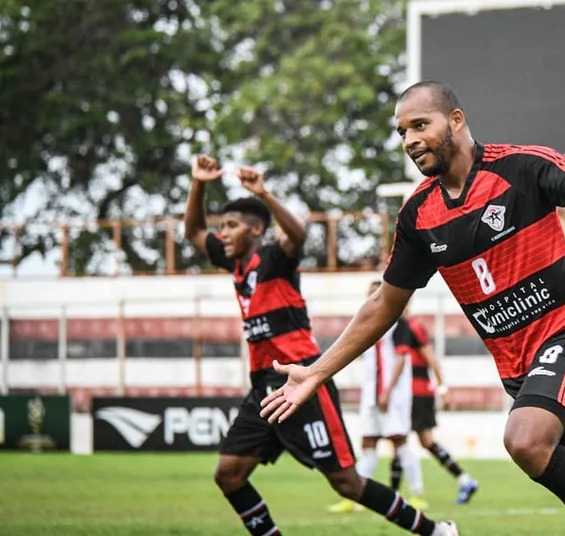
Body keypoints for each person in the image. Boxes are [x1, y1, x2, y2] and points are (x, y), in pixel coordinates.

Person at [261, 81, 565, 536]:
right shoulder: (418, 216)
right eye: (402, 132)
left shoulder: (520, 167)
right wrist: (315, 371)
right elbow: (383, 304)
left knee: (524, 439)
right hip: (526, 374)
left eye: (419, 125)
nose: (409, 140)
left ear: (456, 120)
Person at [183, 155, 459, 536]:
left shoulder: (274, 259)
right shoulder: (235, 266)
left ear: (256, 229)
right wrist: (198, 183)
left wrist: (264, 192)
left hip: (302, 381)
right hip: (265, 387)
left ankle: (436, 532)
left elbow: (296, 234)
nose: (223, 233)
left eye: (231, 226)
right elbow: (194, 232)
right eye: (223, 227)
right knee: (228, 474)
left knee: (347, 483)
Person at [330, 280, 428, 513]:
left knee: (399, 440)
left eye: (376, 294)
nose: (372, 298)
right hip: (372, 395)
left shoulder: (398, 323)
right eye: (369, 294)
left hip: (392, 396)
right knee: (368, 443)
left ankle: (417, 493)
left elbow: (401, 359)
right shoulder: (366, 325)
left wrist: (388, 390)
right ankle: (355, 498)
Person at [389, 314, 480, 504]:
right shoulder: (393, 327)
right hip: (408, 393)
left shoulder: (412, 327)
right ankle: (465, 480)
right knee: (424, 441)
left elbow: (431, 359)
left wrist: (442, 389)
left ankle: (393, 496)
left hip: (417, 392)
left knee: (401, 440)